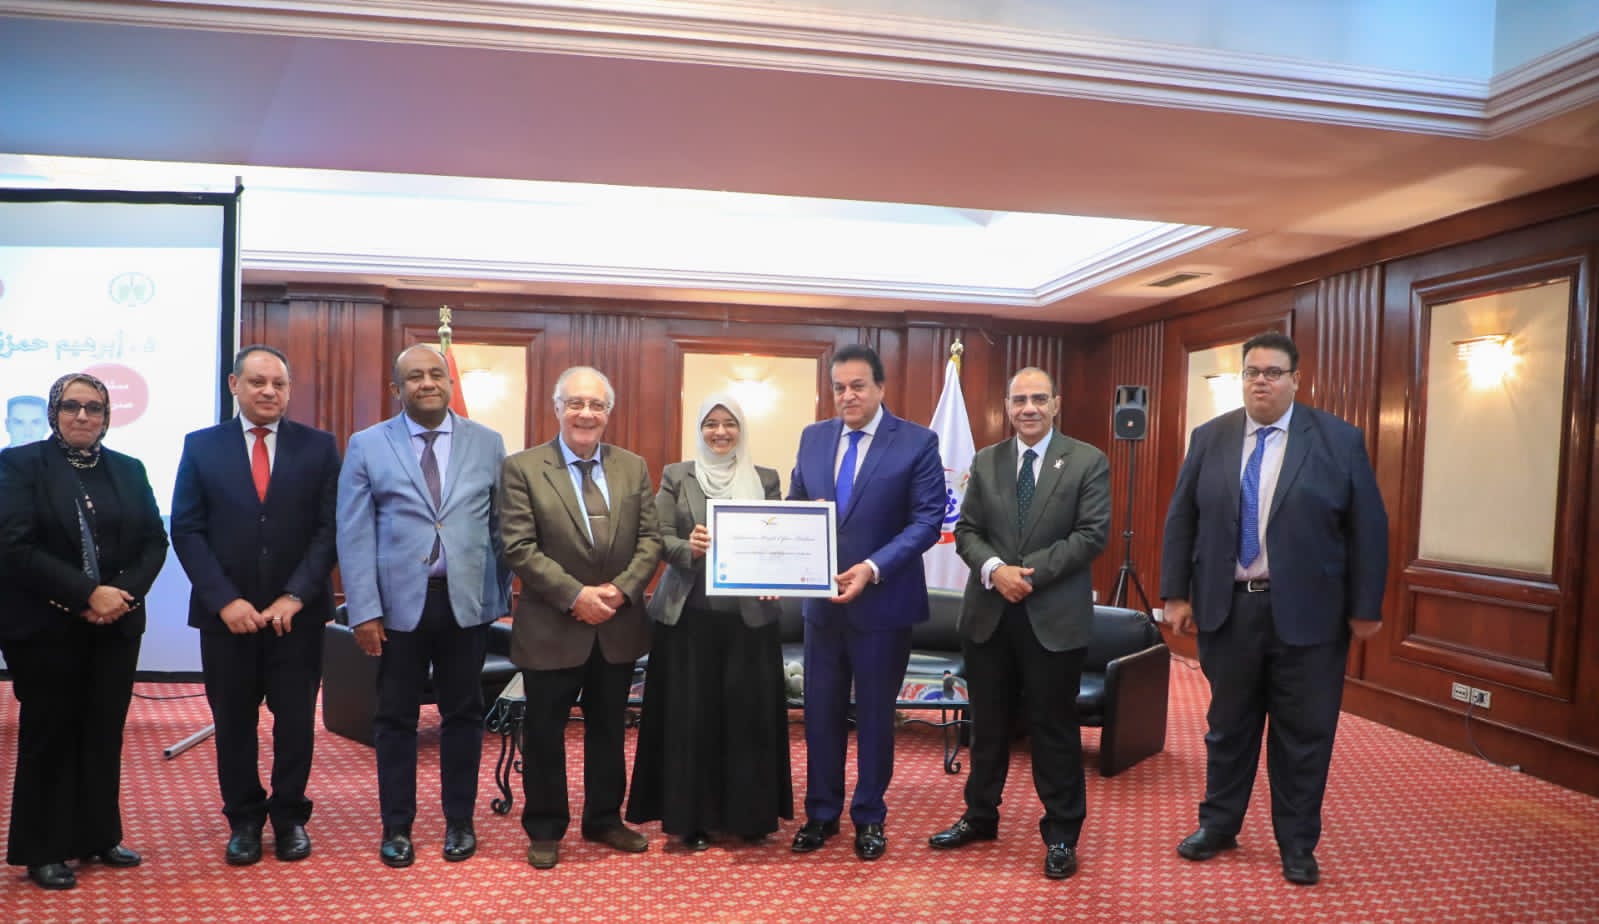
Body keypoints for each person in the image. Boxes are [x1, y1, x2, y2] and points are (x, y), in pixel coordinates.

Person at [1160, 330, 1389, 886]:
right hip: (1229, 610)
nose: (1260, 381)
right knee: (1227, 728)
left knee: (1303, 736)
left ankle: (1297, 844)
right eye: (1252, 372)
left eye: (1272, 373)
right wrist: (1175, 594)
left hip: (1310, 617)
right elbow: (1182, 518)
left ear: (1295, 380)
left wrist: (1365, 606)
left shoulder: (1338, 440)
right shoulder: (1210, 437)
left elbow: (1368, 528)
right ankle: (1218, 825)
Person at [928, 366, 1111, 880]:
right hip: (989, 616)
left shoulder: (1087, 460)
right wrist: (994, 570)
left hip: (1053, 617)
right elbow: (966, 530)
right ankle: (980, 815)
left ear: (1056, 404)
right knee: (986, 727)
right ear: (1007, 407)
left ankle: (1062, 833)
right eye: (1019, 400)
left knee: (1053, 729)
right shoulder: (986, 461)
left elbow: (1091, 535)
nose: (1028, 408)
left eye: (1038, 399)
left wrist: (1023, 574)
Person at [336, 344, 511, 868]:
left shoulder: (488, 442)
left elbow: (501, 528)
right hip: (396, 611)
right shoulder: (368, 444)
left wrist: (496, 597)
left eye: (437, 374)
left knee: (464, 714)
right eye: (415, 376)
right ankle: (397, 827)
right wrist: (364, 610)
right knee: (395, 718)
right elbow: (354, 532)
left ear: (450, 384)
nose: (428, 382)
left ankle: (460, 821)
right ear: (397, 389)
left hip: (465, 607)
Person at [170, 345, 341, 866]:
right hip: (227, 619)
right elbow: (187, 529)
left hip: (297, 619)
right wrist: (225, 601)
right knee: (234, 723)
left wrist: (296, 595)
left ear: (289, 390)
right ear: (234, 385)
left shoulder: (319, 447)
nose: (269, 391)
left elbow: (330, 529)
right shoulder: (202, 446)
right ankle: (243, 819)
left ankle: (290, 817)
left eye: (279, 384)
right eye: (258, 382)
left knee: (296, 723)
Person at [0, 373, 168, 890]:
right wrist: (86, 594)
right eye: (71, 406)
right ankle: (43, 849)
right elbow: (14, 546)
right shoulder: (19, 465)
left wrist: (120, 595)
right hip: (45, 626)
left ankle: (99, 835)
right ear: (54, 412)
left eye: (93, 407)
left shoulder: (128, 468)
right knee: (49, 734)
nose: (82, 416)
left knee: (102, 732)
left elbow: (154, 542)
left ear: (106, 416)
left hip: (115, 626)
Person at [499, 366, 661, 870]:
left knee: (610, 730)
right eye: (575, 403)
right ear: (557, 409)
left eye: (596, 405)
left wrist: (621, 590)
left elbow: (651, 539)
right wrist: (575, 596)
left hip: (617, 624)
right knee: (544, 733)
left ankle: (604, 819)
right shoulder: (523, 468)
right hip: (551, 627)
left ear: (608, 412)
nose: (585, 413)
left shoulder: (632, 467)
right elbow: (518, 547)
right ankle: (545, 828)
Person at [786, 343, 944, 861]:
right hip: (822, 606)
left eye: (857, 386)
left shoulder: (917, 442)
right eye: (838, 387)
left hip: (883, 604)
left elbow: (927, 521)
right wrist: (779, 560)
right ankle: (821, 813)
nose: (847, 396)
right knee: (820, 714)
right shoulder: (813, 438)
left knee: (876, 716)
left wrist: (872, 568)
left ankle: (870, 816)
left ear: (879, 387)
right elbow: (794, 508)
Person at [625, 394, 794, 849]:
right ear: (700, 429)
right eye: (711, 424)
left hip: (749, 622)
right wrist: (688, 547)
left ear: (742, 429)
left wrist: (776, 575)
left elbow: (777, 542)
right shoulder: (677, 475)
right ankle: (691, 818)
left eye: (729, 423)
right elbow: (657, 536)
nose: (720, 432)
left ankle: (749, 817)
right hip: (688, 619)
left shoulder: (765, 479)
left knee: (747, 720)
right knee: (690, 721)